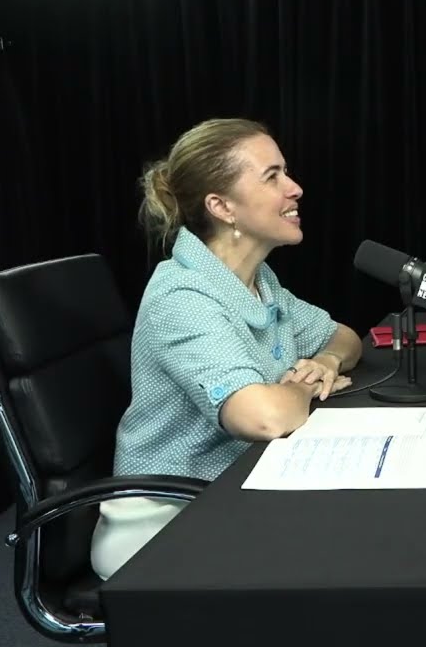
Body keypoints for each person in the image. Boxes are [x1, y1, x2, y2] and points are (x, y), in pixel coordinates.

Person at [90, 118, 364, 580]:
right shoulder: (183, 296)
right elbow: (263, 418)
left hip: (238, 491)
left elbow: (345, 338)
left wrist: (325, 361)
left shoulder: (257, 281)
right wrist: (303, 386)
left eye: (286, 172)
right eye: (272, 177)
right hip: (167, 521)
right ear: (221, 207)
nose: (294, 188)